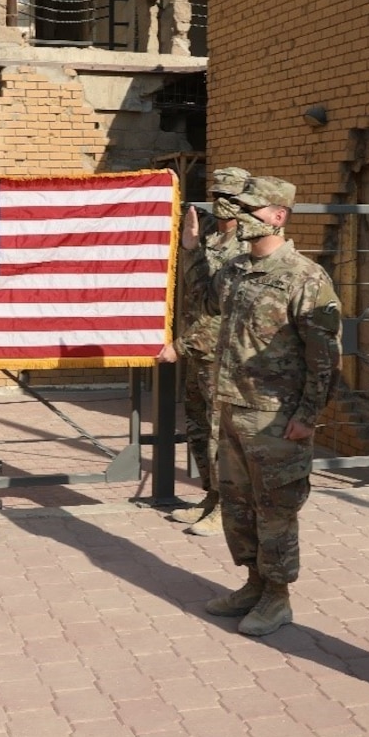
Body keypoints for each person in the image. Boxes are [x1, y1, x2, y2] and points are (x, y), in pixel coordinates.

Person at [201, 176, 341, 637]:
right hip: (231, 407)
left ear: (278, 216)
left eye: (250, 209)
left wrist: (307, 417)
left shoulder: (304, 277)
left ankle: (277, 597)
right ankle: (253, 583)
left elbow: (326, 357)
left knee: (275, 508)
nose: (238, 215)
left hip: (274, 417)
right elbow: (202, 299)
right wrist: (191, 249)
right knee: (238, 506)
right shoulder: (236, 270)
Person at [158, 166, 250, 537]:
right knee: (198, 428)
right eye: (218, 196)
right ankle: (212, 497)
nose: (223, 204)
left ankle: (228, 508)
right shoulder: (211, 236)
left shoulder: (247, 245)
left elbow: (224, 309)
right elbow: (196, 290)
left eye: (231, 198)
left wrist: (180, 345)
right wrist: (192, 247)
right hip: (198, 350)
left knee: (220, 434)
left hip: (223, 354)